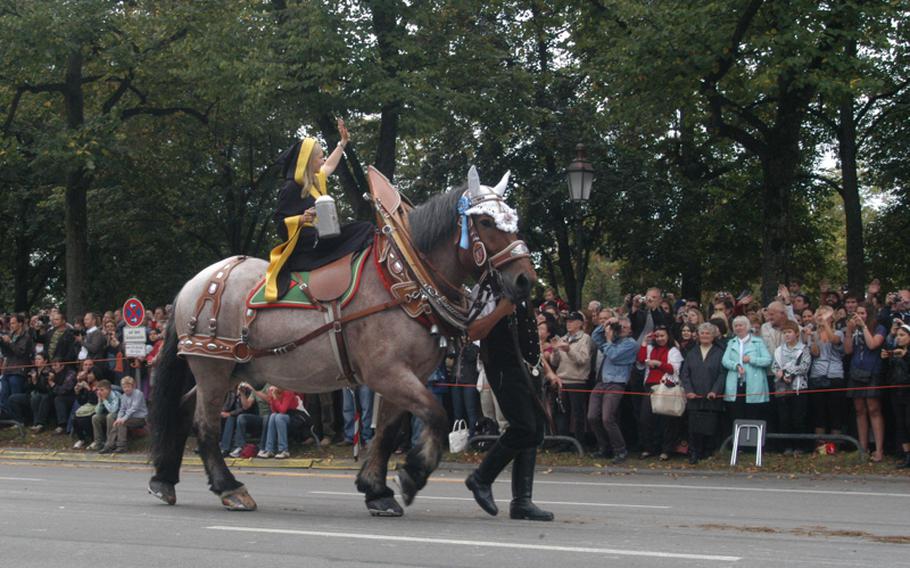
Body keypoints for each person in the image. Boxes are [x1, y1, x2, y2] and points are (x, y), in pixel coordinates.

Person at [464, 287, 553, 522]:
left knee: (535, 430)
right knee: (524, 427)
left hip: (529, 369)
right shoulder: (486, 291)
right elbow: (472, 332)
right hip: (505, 367)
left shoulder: (519, 288)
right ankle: (481, 478)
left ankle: (522, 500)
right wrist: (501, 311)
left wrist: (547, 371)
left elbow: (529, 337)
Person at [264, 119, 373, 301]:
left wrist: (342, 143)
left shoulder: (315, 180)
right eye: (320, 156)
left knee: (365, 227)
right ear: (308, 161)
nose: (323, 160)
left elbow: (330, 165)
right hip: (306, 246)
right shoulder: (291, 188)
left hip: (322, 236)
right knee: (364, 229)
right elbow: (280, 223)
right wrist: (302, 218)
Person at [588, 316, 637, 463]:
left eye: (623, 327)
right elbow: (595, 337)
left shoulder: (631, 343)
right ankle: (604, 448)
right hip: (601, 381)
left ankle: (620, 450)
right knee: (592, 416)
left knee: (607, 418)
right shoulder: (612, 340)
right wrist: (606, 324)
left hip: (616, 382)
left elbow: (614, 355)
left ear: (630, 330)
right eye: (618, 327)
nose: (620, 330)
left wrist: (609, 340)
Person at [843, 303, 887, 462]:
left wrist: (864, 327)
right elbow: (848, 351)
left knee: (874, 409)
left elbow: (872, 344)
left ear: (869, 314)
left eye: (862, 313)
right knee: (859, 410)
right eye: (857, 313)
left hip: (872, 371)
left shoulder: (879, 328)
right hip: (856, 371)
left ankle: (879, 450)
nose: (859, 316)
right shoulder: (853, 329)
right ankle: (863, 448)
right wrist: (849, 331)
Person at [636, 325, 684, 460]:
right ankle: (649, 447)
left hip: (665, 387)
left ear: (668, 336)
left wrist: (658, 363)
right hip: (650, 387)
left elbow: (673, 369)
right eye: (657, 336)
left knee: (666, 419)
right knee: (646, 419)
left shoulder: (673, 350)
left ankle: (666, 449)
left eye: (662, 336)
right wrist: (645, 342)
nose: (660, 339)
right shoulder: (651, 348)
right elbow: (640, 360)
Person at [680, 323, 726, 464]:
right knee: (694, 427)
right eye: (702, 333)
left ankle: (708, 451)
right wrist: (689, 391)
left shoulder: (720, 353)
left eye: (708, 333)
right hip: (694, 396)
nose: (705, 336)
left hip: (711, 396)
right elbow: (685, 374)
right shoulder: (692, 352)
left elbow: (722, 374)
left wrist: (714, 391)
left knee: (710, 426)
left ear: (713, 336)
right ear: (698, 336)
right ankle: (694, 452)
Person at [548, 312, 593, 449]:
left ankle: (579, 442)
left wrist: (569, 350)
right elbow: (555, 363)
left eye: (572, 321)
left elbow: (583, 360)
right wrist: (555, 351)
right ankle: (564, 441)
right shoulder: (562, 338)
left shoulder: (585, 339)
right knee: (562, 413)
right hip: (562, 379)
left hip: (577, 380)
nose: (569, 323)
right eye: (567, 321)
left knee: (578, 413)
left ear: (580, 323)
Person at [771, 320, 811, 454]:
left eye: (789, 332)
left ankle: (799, 446)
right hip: (782, 389)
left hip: (799, 388)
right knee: (784, 418)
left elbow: (805, 367)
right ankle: (786, 446)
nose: (787, 335)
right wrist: (781, 375)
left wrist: (789, 371)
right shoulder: (778, 350)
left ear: (796, 334)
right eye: (784, 332)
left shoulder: (803, 349)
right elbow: (774, 366)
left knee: (798, 418)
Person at [807, 306, 847, 440]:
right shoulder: (813, 334)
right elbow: (815, 353)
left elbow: (834, 340)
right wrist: (812, 339)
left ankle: (835, 445)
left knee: (835, 411)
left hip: (835, 374)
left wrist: (825, 325)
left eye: (824, 314)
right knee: (819, 412)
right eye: (818, 314)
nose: (820, 317)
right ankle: (820, 446)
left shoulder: (839, 332)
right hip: (817, 375)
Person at [722, 316, 772, 422]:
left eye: (741, 325)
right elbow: (725, 361)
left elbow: (767, 360)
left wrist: (751, 359)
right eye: (736, 326)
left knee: (753, 414)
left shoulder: (758, 342)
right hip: (736, 383)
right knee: (736, 415)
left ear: (747, 326)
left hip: (754, 383)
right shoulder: (731, 343)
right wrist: (736, 365)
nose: (738, 328)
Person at [883, 323, 910, 468]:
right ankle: (907, 456)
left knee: (908, 422)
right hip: (896, 391)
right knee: (901, 424)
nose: (899, 338)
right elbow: (889, 372)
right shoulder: (894, 351)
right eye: (897, 336)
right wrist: (885, 359)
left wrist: (906, 356)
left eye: (902, 335)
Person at [100, 376, 147, 454]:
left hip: (139, 418)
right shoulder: (124, 396)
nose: (126, 389)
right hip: (129, 418)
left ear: (133, 386)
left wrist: (123, 419)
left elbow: (133, 409)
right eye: (124, 387)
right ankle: (109, 445)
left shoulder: (138, 394)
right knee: (117, 423)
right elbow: (122, 410)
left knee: (122, 423)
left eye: (128, 387)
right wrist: (118, 418)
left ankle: (122, 446)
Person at [0, 313, 34, 412]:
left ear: (20, 323)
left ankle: (18, 418)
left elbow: (20, 352)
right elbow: (6, 353)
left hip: (19, 369)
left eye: (13, 323)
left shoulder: (26, 336)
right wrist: (2, 342)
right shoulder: (11, 334)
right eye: (10, 323)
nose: (11, 325)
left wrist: (10, 342)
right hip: (8, 369)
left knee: (15, 395)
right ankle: (6, 417)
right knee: (4, 394)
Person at [258, 386, 302, 459]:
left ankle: (284, 450)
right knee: (273, 416)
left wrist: (275, 397)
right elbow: (274, 410)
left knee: (279, 417)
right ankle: (269, 449)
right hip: (284, 416)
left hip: (295, 416)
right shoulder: (275, 394)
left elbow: (282, 410)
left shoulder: (288, 392)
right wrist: (272, 398)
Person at [71, 366, 101, 449]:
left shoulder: (101, 385)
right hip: (89, 407)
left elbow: (95, 400)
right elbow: (83, 402)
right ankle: (81, 439)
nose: (88, 376)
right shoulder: (89, 385)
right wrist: (78, 393)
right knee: (74, 418)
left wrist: (88, 388)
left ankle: (94, 439)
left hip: (99, 407)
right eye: (88, 374)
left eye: (90, 373)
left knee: (85, 419)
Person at [47, 357, 76, 434]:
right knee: (44, 397)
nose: (53, 368)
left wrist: (52, 384)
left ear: (62, 365)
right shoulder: (52, 373)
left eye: (56, 365)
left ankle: (62, 425)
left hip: (71, 396)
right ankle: (41, 423)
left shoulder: (70, 373)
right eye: (52, 366)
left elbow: (64, 390)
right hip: (56, 394)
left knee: (58, 399)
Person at [91, 379, 120, 451]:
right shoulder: (101, 396)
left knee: (110, 416)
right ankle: (98, 443)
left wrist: (104, 400)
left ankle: (110, 443)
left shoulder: (115, 395)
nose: (99, 392)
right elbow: (97, 412)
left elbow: (113, 410)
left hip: (119, 416)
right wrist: (100, 401)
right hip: (109, 415)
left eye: (102, 390)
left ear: (109, 390)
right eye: (98, 390)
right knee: (95, 417)